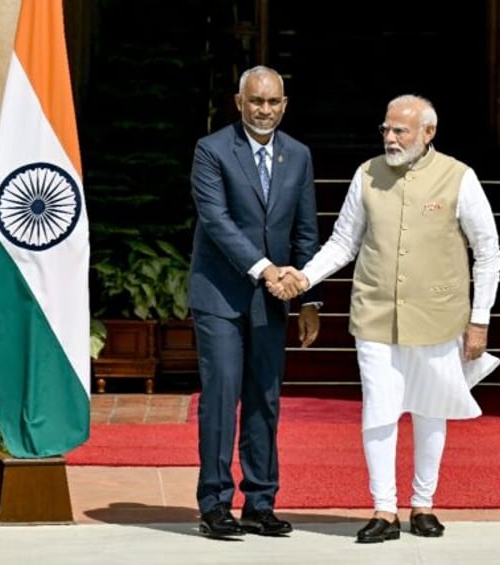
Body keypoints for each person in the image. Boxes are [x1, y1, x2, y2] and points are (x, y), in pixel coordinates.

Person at [269, 94, 500, 543]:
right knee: (379, 408)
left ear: (428, 133)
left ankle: (423, 504)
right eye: (386, 130)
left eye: (401, 131)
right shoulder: (367, 175)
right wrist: (304, 277)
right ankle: (383, 508)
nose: (390, 138)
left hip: (439, 313)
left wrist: (480, 320)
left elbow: (488, 253)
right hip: (375, 312)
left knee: (432, 410)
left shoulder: (460, 177)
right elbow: (342, 243)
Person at [188, 65, 322, 539]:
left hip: (276, 300)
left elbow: (306, 228)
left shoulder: (299, 155)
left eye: (272, 102)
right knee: (223, 395)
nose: (264, 110)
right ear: (239, 102)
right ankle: (215, 503)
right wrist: (266, 269)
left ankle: (260, 502)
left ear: (284, 105)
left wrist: (310, 299)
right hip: (220, 295)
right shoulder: (212, 150)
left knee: (265, 398)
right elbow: (217, 220)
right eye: (256, 102)